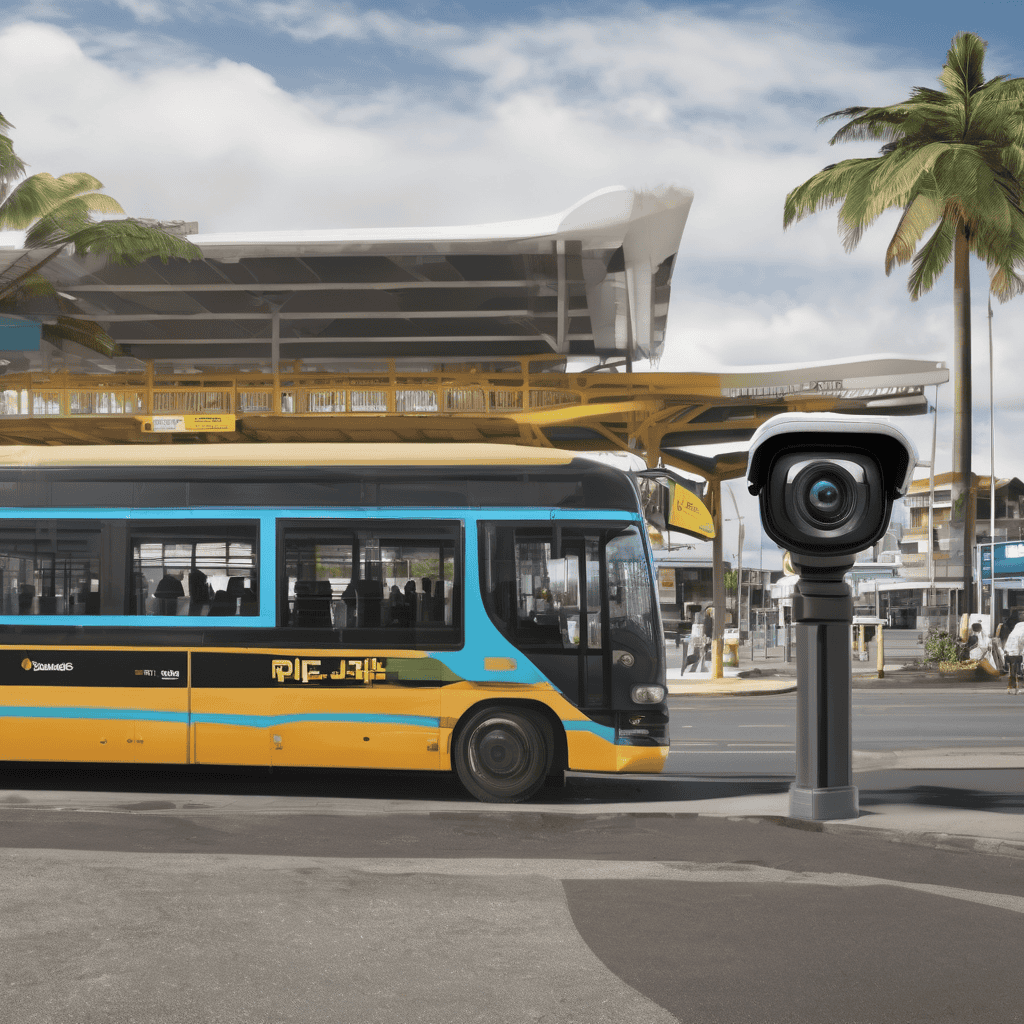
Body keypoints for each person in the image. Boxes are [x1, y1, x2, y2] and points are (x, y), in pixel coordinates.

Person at [1002, 617, 1024, 694]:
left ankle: (1010, 688)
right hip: (1017, 654)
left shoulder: (1013, 633)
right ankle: (1016, 689)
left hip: (1009, 654)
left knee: (1012, 672)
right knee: (1018, 672)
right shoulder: (1022, 633)